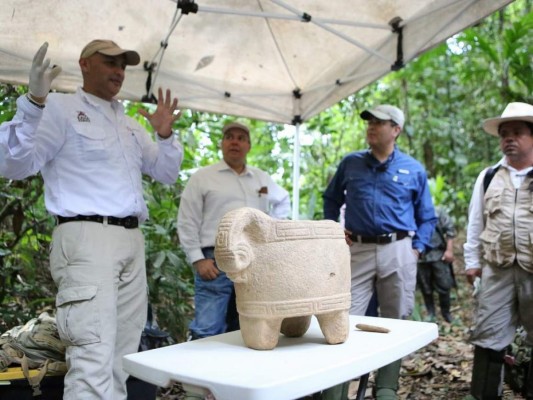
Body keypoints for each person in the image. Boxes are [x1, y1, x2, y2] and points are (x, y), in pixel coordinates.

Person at [0, 40, 183, 400]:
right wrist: (34, 104)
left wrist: (164, 134)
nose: (118, 71)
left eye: (123, 65)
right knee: (92, 353)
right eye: (109, 62)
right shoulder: (59, 108)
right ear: (84, 64)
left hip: (131, 238)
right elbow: (14, 164)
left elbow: (165, 173)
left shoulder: (129, 123)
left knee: (122, 356)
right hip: (85, 238)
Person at [322, 104, 436, 400]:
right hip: (356, 248)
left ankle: (385, 388)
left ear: (395, 130)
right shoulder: (351, 163)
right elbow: (331, 198)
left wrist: (417, 249)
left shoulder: (413, 168)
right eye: (369, 122)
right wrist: (335, 229)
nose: (371, 127)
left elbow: (427, 215)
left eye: (380, 123)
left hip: (398, 249)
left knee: (396, 318)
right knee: (344, 315)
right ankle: (337, 388)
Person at [177, 121, 291, 340]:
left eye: (241, 138)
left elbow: (283, 200)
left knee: (250, 324)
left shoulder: (260, 178)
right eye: (229, 137)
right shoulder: (203, 177)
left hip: (255, 258)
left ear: (248, 146)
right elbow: (187, 220)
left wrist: (269, 229)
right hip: (215, 258)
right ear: (222, 144)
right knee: (208, 328)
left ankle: (240, 373)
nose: (235, 142)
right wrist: (197, 259)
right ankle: (200, 373)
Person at [463, 102, 533, 400]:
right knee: (489, 335)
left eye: (517, 132)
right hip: (497, 269)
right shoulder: (489, 176)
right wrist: (472, 261)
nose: (509, 138)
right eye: (504, 133)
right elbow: (475, 220)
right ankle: (484, 395)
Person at [417, 205, 456, 322]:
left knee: (444, 285)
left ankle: (446, 313)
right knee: (425, 287)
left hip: (438, 254)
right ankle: (431, 313)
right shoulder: (411, 210)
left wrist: (449, 250)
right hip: (421, 255)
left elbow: (450, 230)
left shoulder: (437, 211)